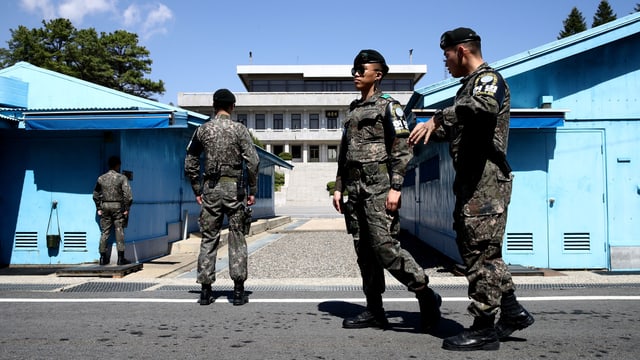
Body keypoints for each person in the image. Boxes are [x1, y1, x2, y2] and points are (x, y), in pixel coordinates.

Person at [408, 28, 534, 351]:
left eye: (447, 55)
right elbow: (451, 127)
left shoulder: (487, 80)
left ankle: (483, 328)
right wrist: (421, 130)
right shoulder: (467, 88)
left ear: (461, 51)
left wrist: (438, 118)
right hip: (472, 183)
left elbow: (483, 108)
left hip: (486, 182)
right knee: (478, 249)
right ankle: (511, 309)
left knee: (481, 254)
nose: (445, 62)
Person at [332, 49, 441, 333]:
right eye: (353, 69)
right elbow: (345, 153)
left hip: (379, 189)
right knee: (364, 252)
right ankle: (374, 310)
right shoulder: (353, 110)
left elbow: (402, 148)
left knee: (386, 248)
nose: (356, 74)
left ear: (377, 75)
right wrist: (339, 187)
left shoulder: (389, 107)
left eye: (361, 69)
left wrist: (396, 187)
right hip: (355, 190)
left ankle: (426, 295)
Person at [184, 88, 259, 306]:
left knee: (209, 237)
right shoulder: (240, 130)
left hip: (211, 189)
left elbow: (190, 160)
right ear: (232, 107)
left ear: (214, 106)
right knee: (237, 236)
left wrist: (197, 188)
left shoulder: (202, 130)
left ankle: (206, 291)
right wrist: (252, 190)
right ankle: (237, 291)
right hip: (234, 189)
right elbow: (253, 161)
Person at [93, 156, 133, 266]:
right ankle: (120, 258)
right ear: (118, 165)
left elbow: (95, 194)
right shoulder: (122, 178)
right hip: (118, 206)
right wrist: (126, 208)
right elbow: (128, 196)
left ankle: (102, 257)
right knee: (119, 230)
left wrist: (99, 207)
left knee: (105, 231)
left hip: (105, 205)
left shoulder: (101, 178)